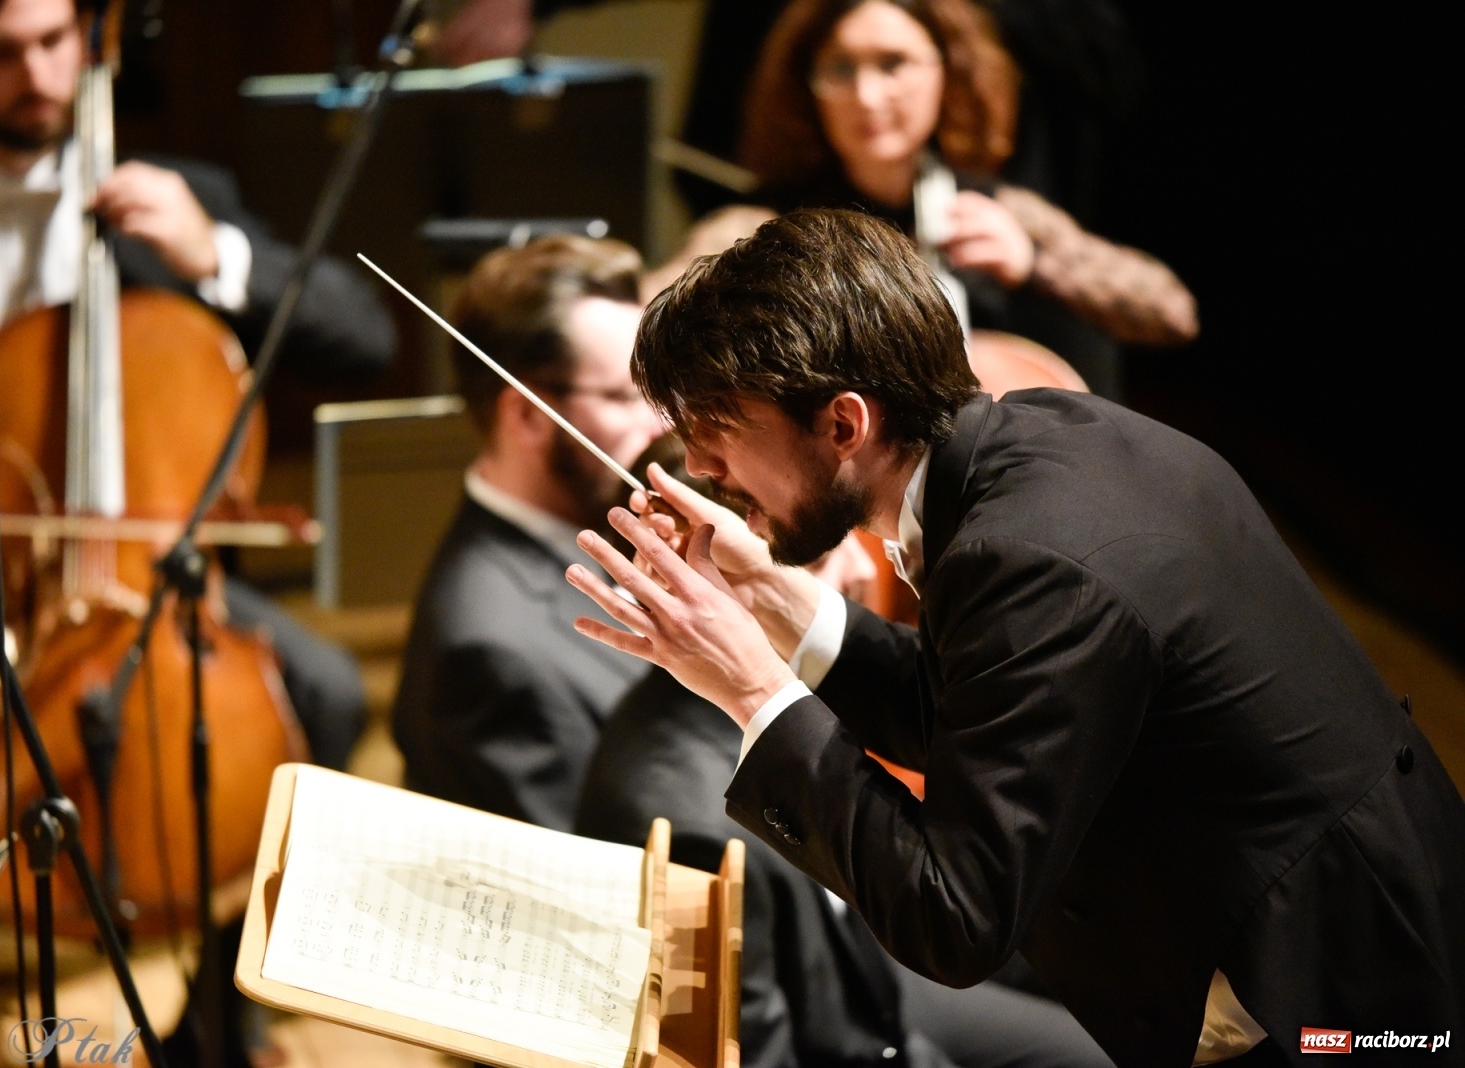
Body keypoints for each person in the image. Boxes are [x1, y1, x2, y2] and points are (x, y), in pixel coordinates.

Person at [565, 208, 1465, 1066]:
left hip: (1337, 1003)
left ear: (844, 423)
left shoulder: (1029, 560)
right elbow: (983, 714)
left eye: (716, 431)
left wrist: (752, 688)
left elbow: (954, 914)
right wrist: (776, 599)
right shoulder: (1038, 438)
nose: (700, 468)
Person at [0, 0, 396, 999]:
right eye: (4, 52)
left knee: (321, 691)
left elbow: (362, 336)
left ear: (90, 41)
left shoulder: (179, 196)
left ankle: (226, 999)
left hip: (147, 579)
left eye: (57, 42)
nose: (39, 72)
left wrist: (215, 257)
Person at [577, 436, 1114, 1068]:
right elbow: (765, 1055)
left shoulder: (781, 698)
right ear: (701, 587)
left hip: (870, 973)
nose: (862, 571)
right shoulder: (686, 821)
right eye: (820, 558)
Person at [730, 0, 1194, 401]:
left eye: (893, 63)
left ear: (947, 71)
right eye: (841, 68)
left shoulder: (992, 206)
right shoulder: (773, 219)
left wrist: (1035, 264)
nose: (867, 96)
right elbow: (685, 277)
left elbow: (1174, 313)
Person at [389, 233, 662, 832]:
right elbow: (588, 887)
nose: (661, 421)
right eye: (624, 395)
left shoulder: (612, 527)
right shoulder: (486, 654)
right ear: (528, 416)